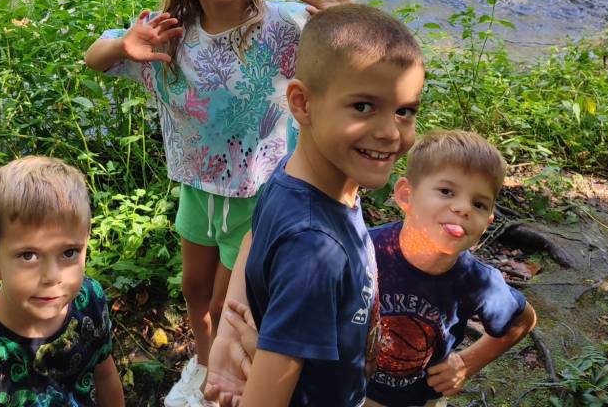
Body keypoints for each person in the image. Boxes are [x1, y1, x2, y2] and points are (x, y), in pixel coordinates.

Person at [84, 0, 351, 406]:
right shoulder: (167, 33)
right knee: (193, 288)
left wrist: (347, 14)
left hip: (260, 196)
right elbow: (94, 56)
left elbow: (367, 58)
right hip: (197, 188)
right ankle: (206, 365)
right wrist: (123, 46)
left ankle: (235, 379)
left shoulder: (286, 26)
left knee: (232, 305)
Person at [206, 130, 539, 407]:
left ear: (488, 221)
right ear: (406, 195)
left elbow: (523, 320)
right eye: (446, 191)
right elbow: (267, 256)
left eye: (479, 203)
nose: (463, 208)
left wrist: (467, 362)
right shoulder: (362, 248)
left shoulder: (477, 282)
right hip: (352, 394)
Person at [236, 4, 427, 407]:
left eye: (405, 111)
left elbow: (252, 239)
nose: (390, 132)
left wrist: (242, 335)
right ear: (302, 103)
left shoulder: (297, 175)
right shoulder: (313, 250)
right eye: (363, 106)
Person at [0, 156, 125, 407]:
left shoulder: (90, 300)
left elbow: (105, 375)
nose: (52, 276)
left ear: (86, 244)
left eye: (69, 252)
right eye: (28, 255)